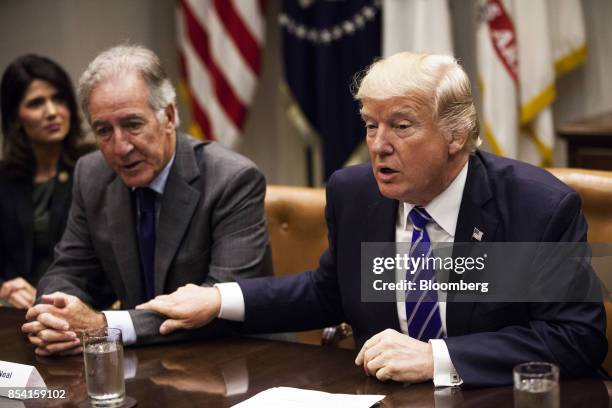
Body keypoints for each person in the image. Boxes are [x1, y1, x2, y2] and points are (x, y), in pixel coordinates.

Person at [137, 52, 607, 387]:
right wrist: (219, 299)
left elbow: (575, 339)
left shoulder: (537, 208)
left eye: (401, 126)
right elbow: (331, 291)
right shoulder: (355, 192)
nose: (379, 145)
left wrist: (436, 358)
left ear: (457, 136)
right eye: (370, 124)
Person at [21, 44, 272, 355]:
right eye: (103, 131)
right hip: (139, 360)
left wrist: (104, 327)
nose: (120, 147)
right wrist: (54, 316)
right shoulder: (91, 173)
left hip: (234, 358)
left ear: (168, 116)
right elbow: (69, 270)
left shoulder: (232, 180)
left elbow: (221, 304)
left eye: (132, 125)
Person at [0, 55, 92, 309]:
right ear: (15, 117)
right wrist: (6, 289)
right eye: (36, 103)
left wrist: (44, 294)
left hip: (82, 307)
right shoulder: (5, 179)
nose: (52, 112)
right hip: (16, 313)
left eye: (59, 99)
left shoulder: (95, 166)